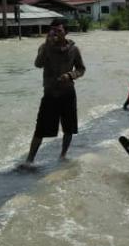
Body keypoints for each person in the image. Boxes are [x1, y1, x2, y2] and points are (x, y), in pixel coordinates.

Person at [25, 18, 85, 166]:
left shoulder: (74, 49)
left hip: (68, 93)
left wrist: (70, 75)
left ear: (66, 32)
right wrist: (47, 44)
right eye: (52, 30)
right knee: (40, 129)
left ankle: (63, 156)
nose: (55, 33)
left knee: (69, 128)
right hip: (50, 93)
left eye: (58, 30)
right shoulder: (45, 47)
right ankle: (29, 160)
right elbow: (38, 64)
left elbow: (81, 69)